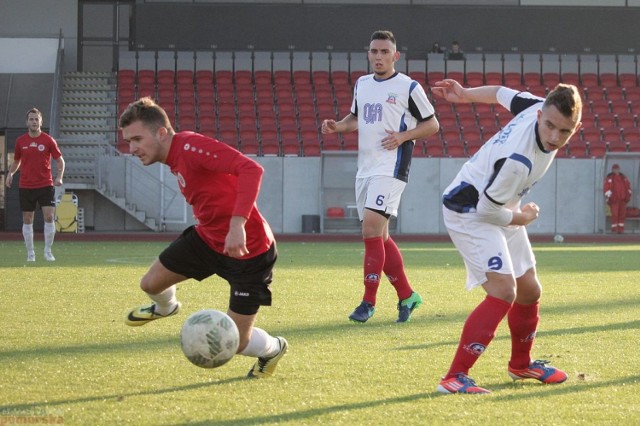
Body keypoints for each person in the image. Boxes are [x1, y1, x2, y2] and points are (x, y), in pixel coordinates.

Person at [432, 79, 583, 394]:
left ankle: (521, 365)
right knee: (503, 290)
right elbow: (486, 212)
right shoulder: (518, 160)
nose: (554, 137)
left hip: (500, 204)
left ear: (576, 127)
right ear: (541, 115)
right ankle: (454, 377)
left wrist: (465, 96)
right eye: (550, 126)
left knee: (529, 290)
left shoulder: (536, 105)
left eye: (564, 131)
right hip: (470, 211)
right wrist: (524, 218)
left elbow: (501, 93)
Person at [120, 97, 287, 378]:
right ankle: (166, 307)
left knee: (235, 342)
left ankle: (273, 348)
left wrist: (237, 224)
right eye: (128, 142)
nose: (132, 148)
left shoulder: (190, 147)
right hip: (208, 241)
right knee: (150, 284)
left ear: (161, 132)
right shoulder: (173, 158)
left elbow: (251, 169)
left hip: (249, 252)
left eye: (137, 139)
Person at [321, 30, 440, 323]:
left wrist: (403, 136)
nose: (378, 56)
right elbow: (354, 120)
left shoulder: (409, 87)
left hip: (392, 167)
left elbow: (432, 124)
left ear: (395, 56)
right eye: (374, 51)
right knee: (381, 237)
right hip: (366, 169)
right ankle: (408, 296)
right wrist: (337, 126)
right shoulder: (362, 84)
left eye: (385, 52)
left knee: (371, 231)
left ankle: (368, 302)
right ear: (369, 54)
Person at [5, 108, 65, 262]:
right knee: (27, 219)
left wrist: (59, 176)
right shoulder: (20, 141)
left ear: (40, 121)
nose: (34, 122)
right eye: (31, 119)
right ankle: (30, 253)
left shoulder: (48, 140)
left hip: (45, 184)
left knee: (49, 216)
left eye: (36, 119)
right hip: (26, 185)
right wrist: (10, 173)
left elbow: (60, 161)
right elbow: (17, 161)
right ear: (27, 122)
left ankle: (47, 251)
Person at [603, 163, 632, 234]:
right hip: (614, 200)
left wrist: (628, 195)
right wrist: (610, 197)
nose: (616, 170)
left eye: (617, 169)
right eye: (615, 169)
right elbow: (606, 188)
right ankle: (614, 229)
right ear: (612, 170)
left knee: (622, 214)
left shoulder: (623, 178)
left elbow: (628, 187)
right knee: (615, 214)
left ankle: (621, 229)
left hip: (623, 200)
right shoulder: (609, 178)